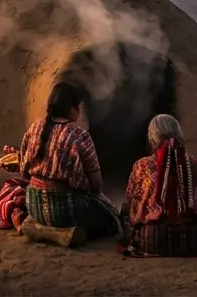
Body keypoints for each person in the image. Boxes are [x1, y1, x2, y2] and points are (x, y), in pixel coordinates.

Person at [15, 81, 121, 246]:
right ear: (72, 108)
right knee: (112, 221)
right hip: (65, 208)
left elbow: (23, 171)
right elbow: (96, 183)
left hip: (34, 204)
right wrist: (98, 197)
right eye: (78, 107)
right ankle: (65, 233)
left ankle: (39, 229)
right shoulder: (79, 135)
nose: (79, 111)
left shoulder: (35, 127)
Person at [120, 114, 197, 257]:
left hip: (153, 240)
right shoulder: (196, 163)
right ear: (179, 135)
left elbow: (130, 203)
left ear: (151, 138)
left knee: (125, 213)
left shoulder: (142, 166)